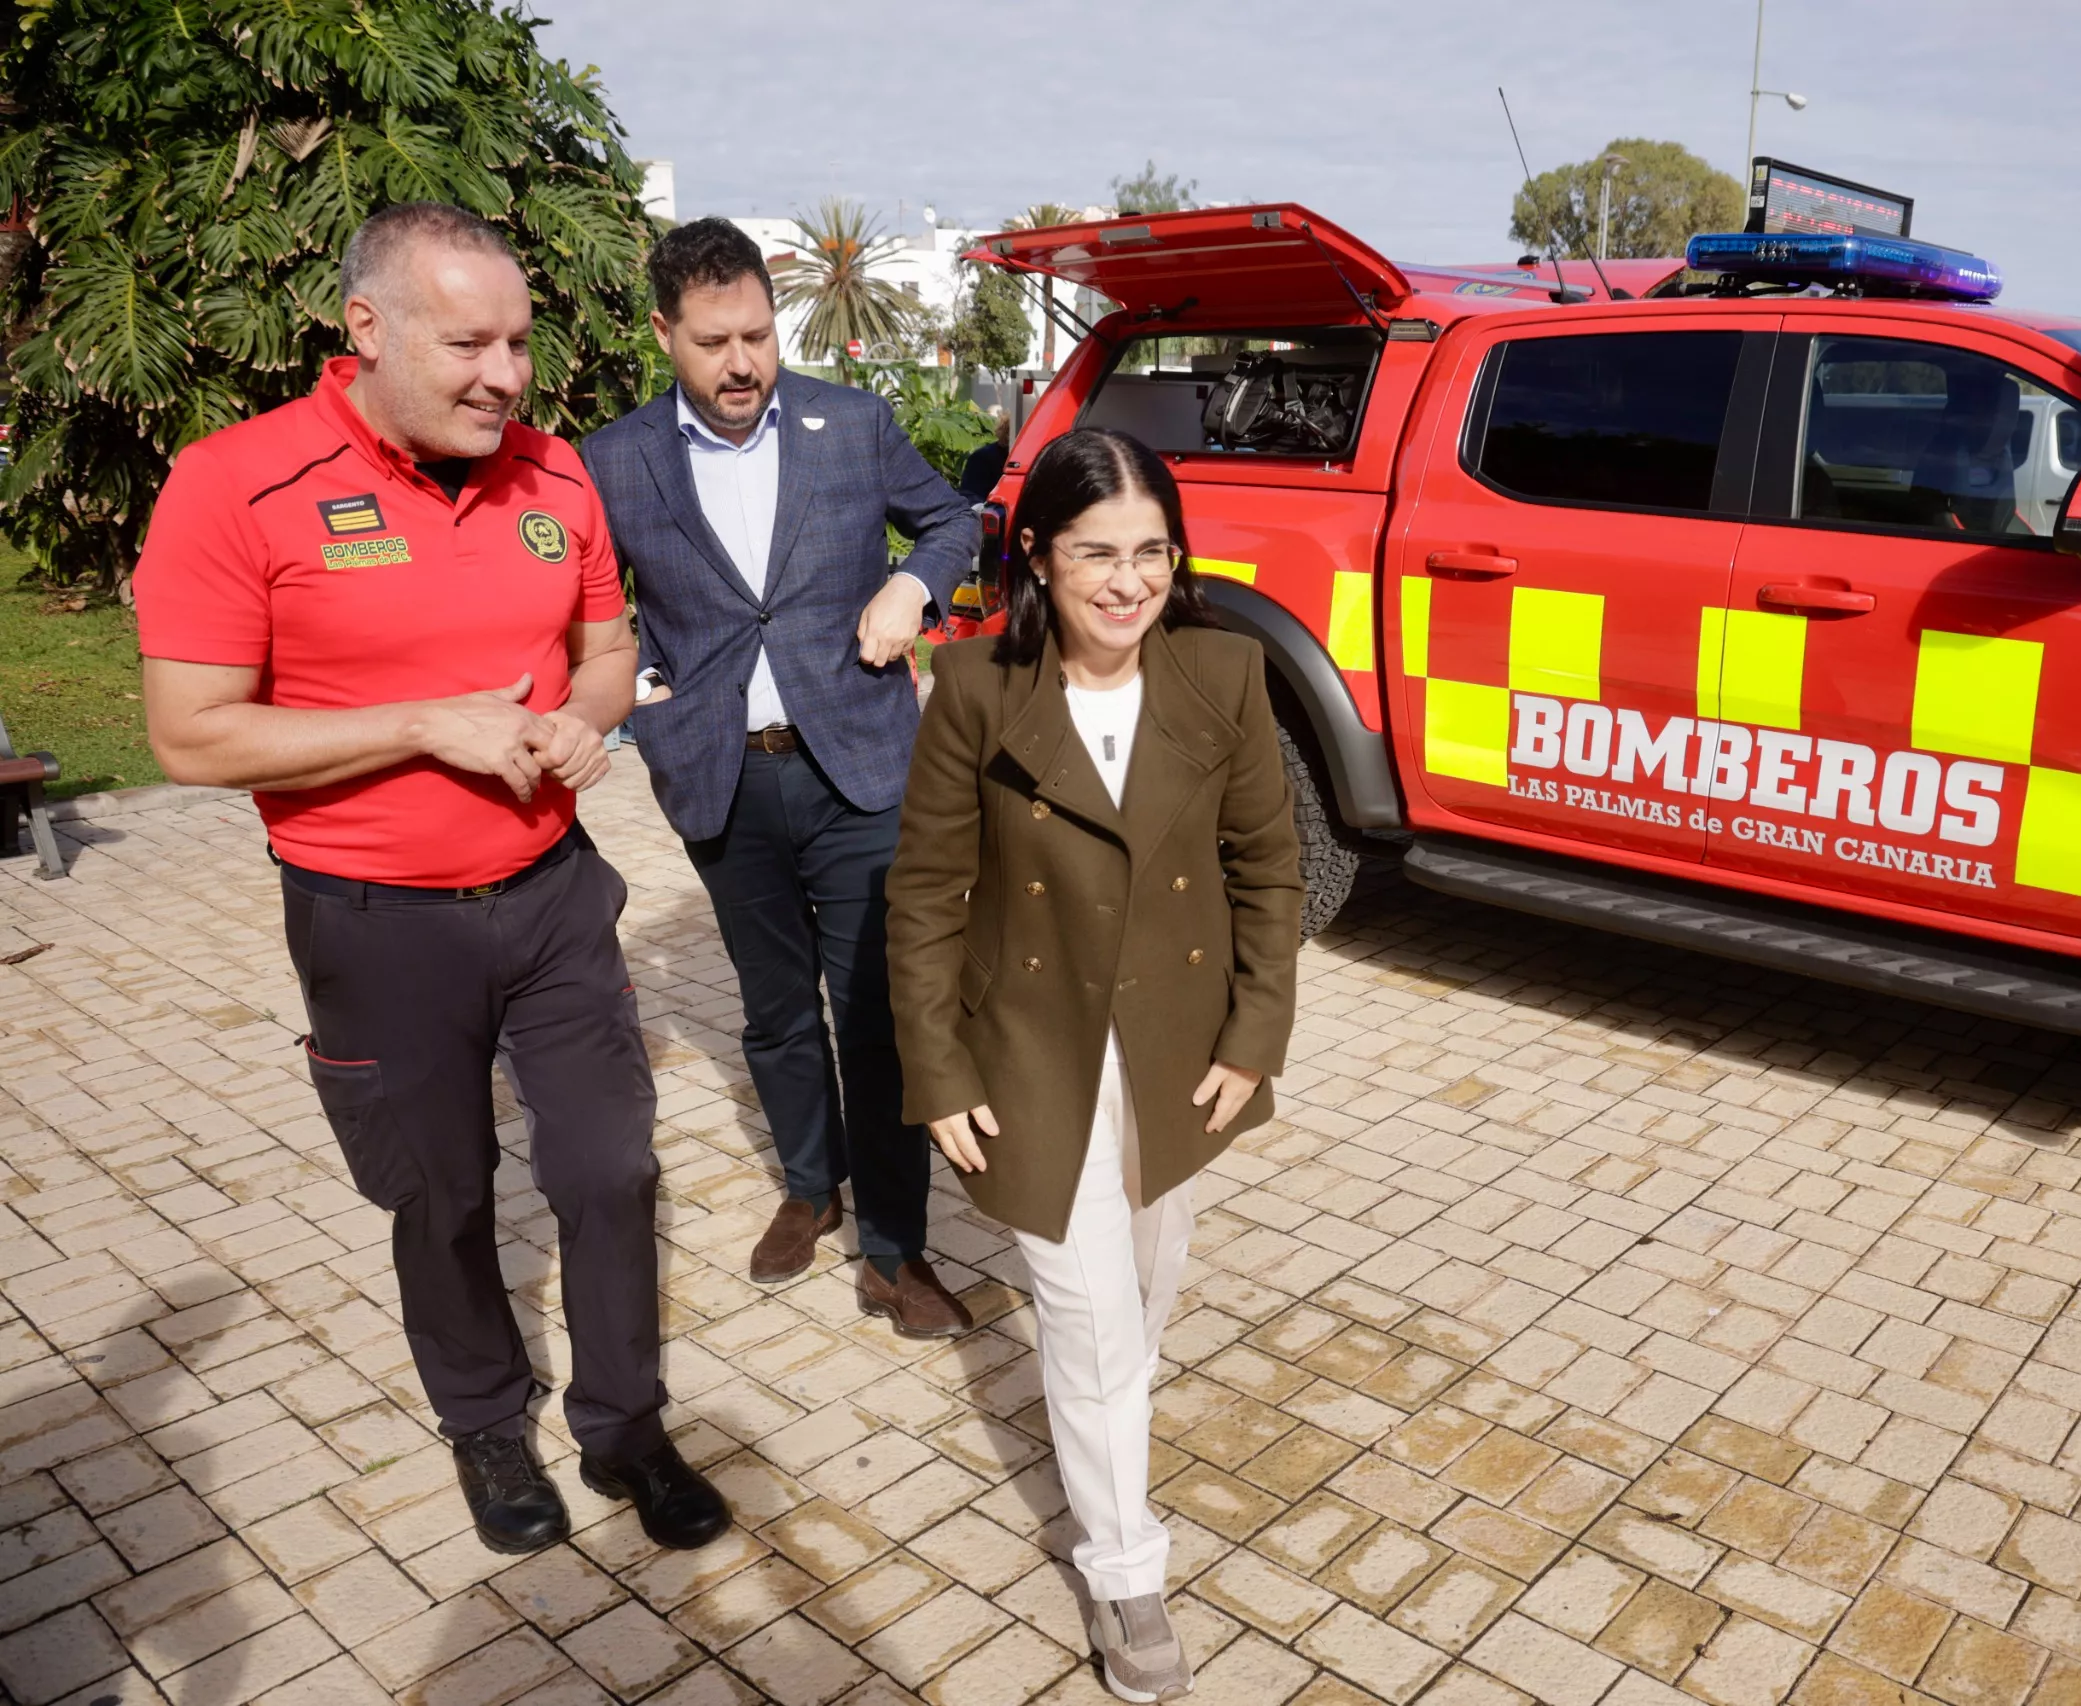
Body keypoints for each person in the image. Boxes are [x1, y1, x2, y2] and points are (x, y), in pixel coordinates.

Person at [136, 203, 727, 1555]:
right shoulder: (239, 483)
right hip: (373, 926)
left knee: (609, 1164)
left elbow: (603, 647)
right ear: (367, 330)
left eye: (518, 341)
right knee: (441, 1188)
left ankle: (627, 1424)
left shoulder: (553, 476)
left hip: (553, 895)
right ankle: (482, 1418)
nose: (505, 375)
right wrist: (417, 723)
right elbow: (189, 731)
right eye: (468, 342)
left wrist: (591, 716)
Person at [887, 428, 1302, 1701]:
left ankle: (1106, 1458)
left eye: (1151, 552)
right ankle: (1126, 1571)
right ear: (1039, 559)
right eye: (1096, 554)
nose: (1128, 582)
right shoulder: (973, 687)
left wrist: (1252, 1035)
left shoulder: (1226, 676)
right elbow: (925, 895)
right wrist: (939, 1069)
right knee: (1091, 1321)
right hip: (1035, 1055)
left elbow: (1268, 871)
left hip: (1178, 1054)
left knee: (1147, 1297)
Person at [583, 220, 980, 1323]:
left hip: (859, 769)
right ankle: (812, 1187)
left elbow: (955, 517)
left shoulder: (848, 425)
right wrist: (637, 692)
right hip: (721, 779)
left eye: (757, 334)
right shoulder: (615, 460)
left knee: (879, 1014)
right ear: (665, 334)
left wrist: (915, 589)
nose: (742, 363)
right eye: (714, 342)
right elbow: (575, 602)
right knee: (773, 1012)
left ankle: (897, 1248)